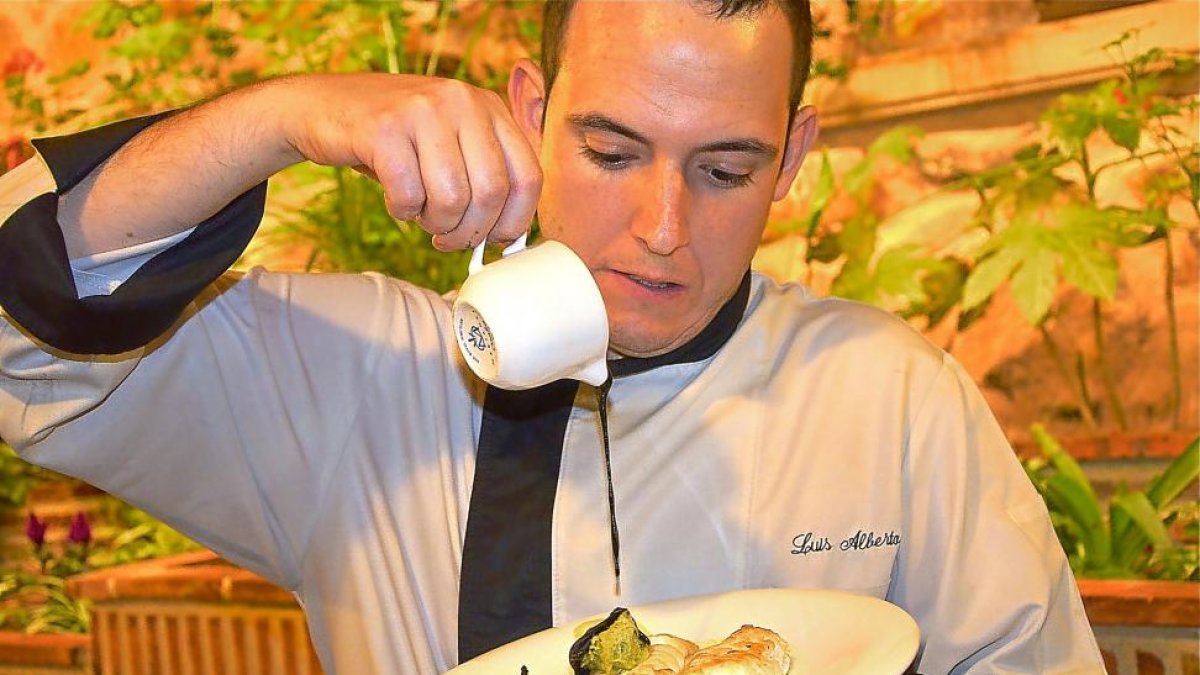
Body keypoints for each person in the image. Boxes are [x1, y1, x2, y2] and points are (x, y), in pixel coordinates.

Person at [0, 1, 1104, 673]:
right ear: (529, 109)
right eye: (614, 153)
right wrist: (282, 115)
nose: (664, 231)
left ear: (796, 150)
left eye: (727, 171)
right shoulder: (362, 386)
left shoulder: (894, 397)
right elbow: (27, 334)